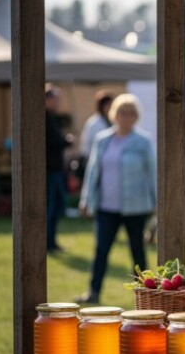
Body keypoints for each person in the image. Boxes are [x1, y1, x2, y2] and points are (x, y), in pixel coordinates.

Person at [77, 94, 156, 304]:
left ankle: (146, 296)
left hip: (135, 208)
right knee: (101, 251)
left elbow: (153, 172)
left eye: (131, 113)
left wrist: (157, 202)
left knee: (138, 253)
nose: (126, 117)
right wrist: (86, 200)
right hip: (106, 207)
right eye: (122, 112)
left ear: (136, 116)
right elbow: (93, 172)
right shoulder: (103, 139)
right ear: (114, 115)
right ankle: (93, 292)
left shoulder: (143, 141)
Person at [45, 85, 71, 253]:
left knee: (55, 208)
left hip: (55, 169)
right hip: (50, 170)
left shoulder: (51, 117)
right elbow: (53, 142)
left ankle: (52, 241)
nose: (57, 103)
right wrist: (67, 140)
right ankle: (48, 242)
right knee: (50, 207)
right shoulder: (45, 118)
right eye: (55, 99)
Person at [79, 91, 114, 164]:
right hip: (96, 161)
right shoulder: (93, 123)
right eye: (108, 105)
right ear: (101, 106)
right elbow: (85, 145)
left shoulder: (115, 122)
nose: (110, 108)